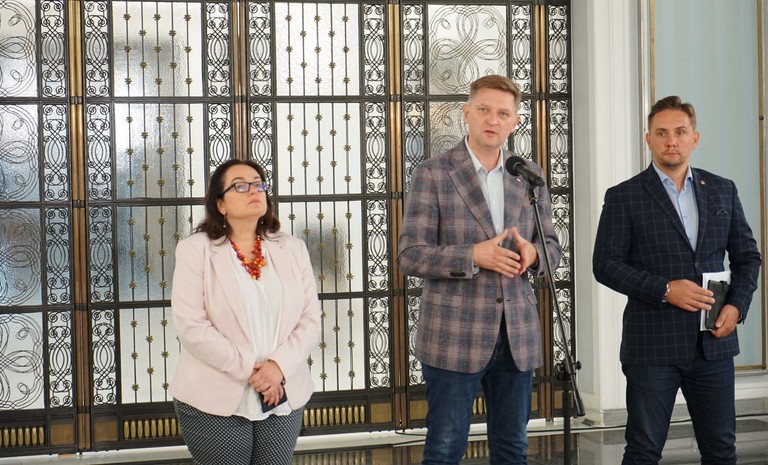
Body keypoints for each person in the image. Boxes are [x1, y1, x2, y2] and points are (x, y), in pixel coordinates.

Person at [397, 74, 562, 465]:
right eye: (484, 109)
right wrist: (472, 256)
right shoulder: (434, 173)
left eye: (503, 113)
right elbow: (410, 255)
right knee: (444, 449)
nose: (493, 119)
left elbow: (553, 249)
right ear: (466, 113)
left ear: (515, 121)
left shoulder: (529, 175)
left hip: (517, 336)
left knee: (512, 449)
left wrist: (533, 255)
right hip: (454, 336)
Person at [593, 96, 761, 465]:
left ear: (694, 138)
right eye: (662, 133)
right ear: (648, 139)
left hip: (713, 343)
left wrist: (736, 306)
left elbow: (748, 258)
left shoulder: (723, 189)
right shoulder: (624, 196)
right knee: (643, 451)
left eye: (680, 132)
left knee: (721, 451)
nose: (672, 140)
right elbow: (605, 265)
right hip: (651, 347)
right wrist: (665, 290)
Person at [170, 159, 322, 465]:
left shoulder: (292, 248)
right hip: (214, 398)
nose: (253, 190)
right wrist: (254, 372)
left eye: (258, 184)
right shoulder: (195, 250)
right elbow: (191, 327)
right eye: (240, 186)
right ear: (220, 204)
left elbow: (310, 320)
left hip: (281, 394)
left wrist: (277, 368)